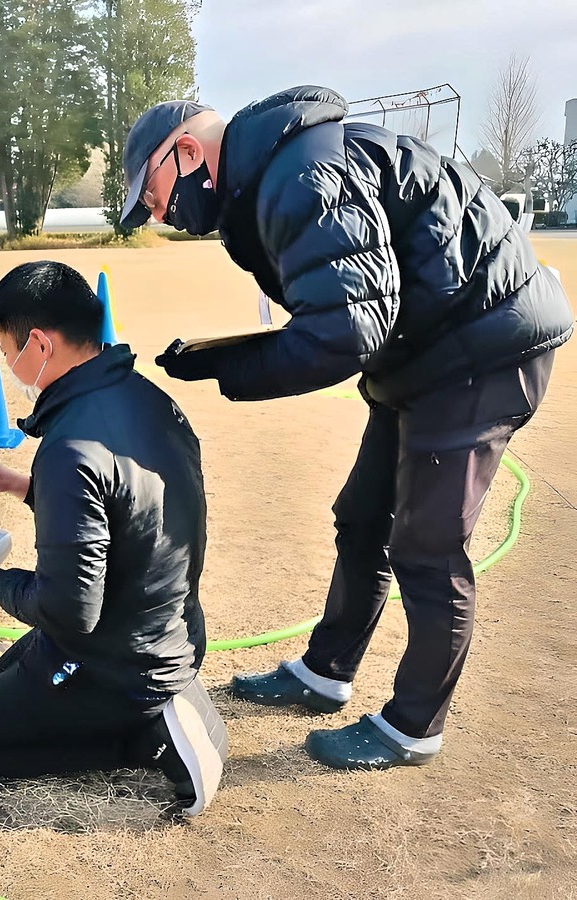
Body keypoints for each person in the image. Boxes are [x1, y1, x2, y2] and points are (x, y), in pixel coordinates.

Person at [119, 87, 572, 770]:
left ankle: (412, 727)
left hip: (481, 351)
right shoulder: (274, 174)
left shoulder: (298, 178)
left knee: (427, 548)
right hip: (422, 353)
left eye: (152, 197)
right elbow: (354, 308)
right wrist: (222, 360)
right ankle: (325, 672)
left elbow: (343, 332)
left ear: (185, 152)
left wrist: (229, 368)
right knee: (363, 520)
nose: (160, 215)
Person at [0, 260, 227, 815]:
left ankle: (149, 735)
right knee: (4, 673)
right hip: (166, 628)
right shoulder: (145, 398)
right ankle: (153, 697)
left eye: (7, 351)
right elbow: (130, 509)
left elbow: (69, 610)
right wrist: (20, 484)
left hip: (122, 662)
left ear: (40, 345)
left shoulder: (71, 447)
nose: (7, 365)